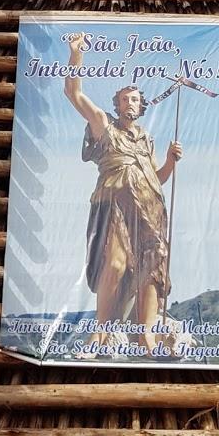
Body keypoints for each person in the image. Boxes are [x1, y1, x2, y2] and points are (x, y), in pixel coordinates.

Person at [63, 31, 183, 355]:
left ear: (141, 105)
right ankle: (101, 332)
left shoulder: (146, 140)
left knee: (152, 266)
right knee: (114, 264)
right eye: (124, 98)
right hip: (114, 204)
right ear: (116, 103)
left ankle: (146, 334)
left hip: (150, 210)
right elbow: (72, 92)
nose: (129, 103)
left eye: (134, 99)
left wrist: (170, 163)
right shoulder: (104, 125)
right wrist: (77, 54)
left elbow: (157, 178)